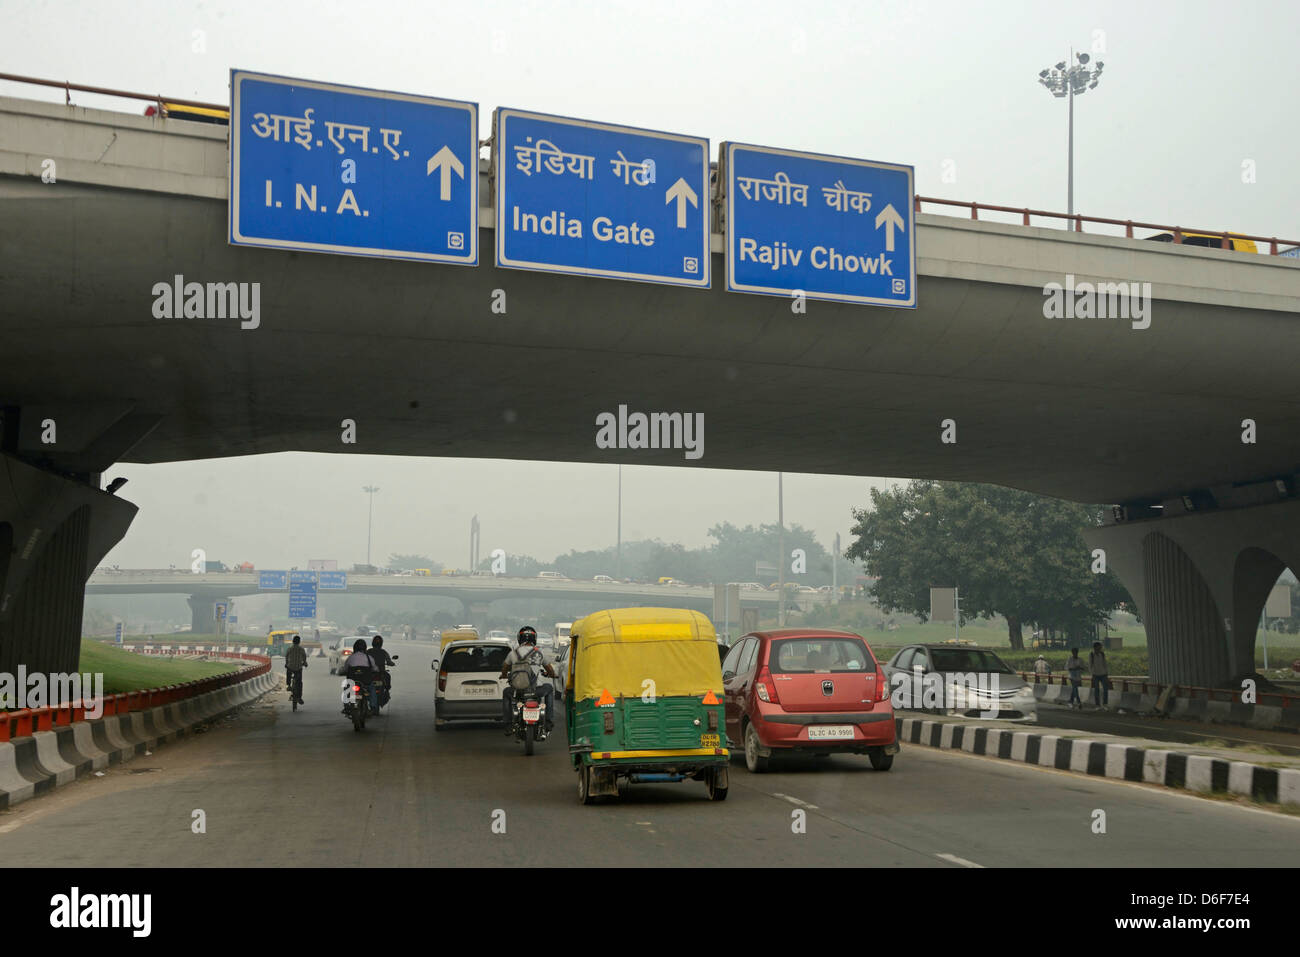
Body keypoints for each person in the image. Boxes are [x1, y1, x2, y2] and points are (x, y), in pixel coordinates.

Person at [500, 626, 556, 738]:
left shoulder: (513, 653)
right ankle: (549, 721)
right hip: (536, 691)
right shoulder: (539, 653)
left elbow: (505, 668)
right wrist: (552, 675)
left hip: (518, 690)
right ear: (534, 638)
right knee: (549, 688)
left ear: (519, 638)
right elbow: (550, 669)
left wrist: (504, 675)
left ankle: (508, 724)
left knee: (506, 693)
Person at [339, 638, 378, 712]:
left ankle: (346, 706)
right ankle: (373, 706)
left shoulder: (351, 657)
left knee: (346, 688)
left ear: (355, 648)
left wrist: (341, 672)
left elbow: (345, 669)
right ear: (365, 648)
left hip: (352, 681)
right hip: (366, 682)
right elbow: (375, 668)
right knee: (372, 689)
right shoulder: (369, 658)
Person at [369, 634, 395, 706]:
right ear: (381, 644)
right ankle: (386, 692)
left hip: (370, 673)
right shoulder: (384, 652)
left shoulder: (368, 651)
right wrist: (392, 663)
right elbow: (389, 661)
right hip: (381, 673)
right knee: (388, 678)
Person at [284, 634, 308, 705]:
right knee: (299, 683)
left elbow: (286, 656)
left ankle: (288, 685)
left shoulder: (289, 648)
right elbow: (304, 657)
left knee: (288, 673)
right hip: (298, 668)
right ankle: (299, 697)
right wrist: (305, 663)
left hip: (290, 667)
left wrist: (286, 663)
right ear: (299, 642)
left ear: (293, 641)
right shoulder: (301, 649)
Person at [1089, 641, 1110, 709]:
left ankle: (1105, 704)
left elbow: (1105, 663)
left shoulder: (1102, 654)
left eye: (1100, 647)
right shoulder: (1091, 654)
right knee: (1096, 689)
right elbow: (1090, 665)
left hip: (1103, 674)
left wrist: (1106, 672)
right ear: (1095, 647)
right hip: (1095, 674)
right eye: (1099, 647)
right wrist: (1092, 673)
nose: (1100, 648)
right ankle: (1097, 704)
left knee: (1105, 689)